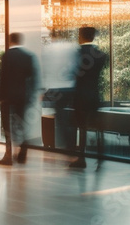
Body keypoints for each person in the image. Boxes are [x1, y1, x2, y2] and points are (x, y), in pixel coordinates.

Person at [0, 33, 38, 166]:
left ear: (10, 41)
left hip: (8, 96)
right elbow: (33, 77)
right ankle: (23, 147)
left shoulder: (6, 56)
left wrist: (0, 96)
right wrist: (31, 95)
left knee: (7, 126)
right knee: (21, 123)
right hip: (23, 95)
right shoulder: (29, 56)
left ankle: (8, 155)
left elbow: (2, 77)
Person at [70, 26, 108, 169]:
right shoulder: (101, 55)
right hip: (94, 94)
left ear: (81, 36)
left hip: (80, 95)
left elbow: (73, 73)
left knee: (82, 127)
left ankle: (81, 158)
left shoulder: (76, 54)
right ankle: (100, 156)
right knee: (98, 126)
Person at [42, 31, 79, 149]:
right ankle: (72, 142)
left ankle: (66, 145)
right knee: (71, 116)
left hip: (55, 87)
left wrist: (43, 88)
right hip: (70, 86)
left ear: (52, 37)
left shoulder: (48, 49)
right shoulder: (70, 48)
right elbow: (76, 66)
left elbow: (44, 69)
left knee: (60, 117)